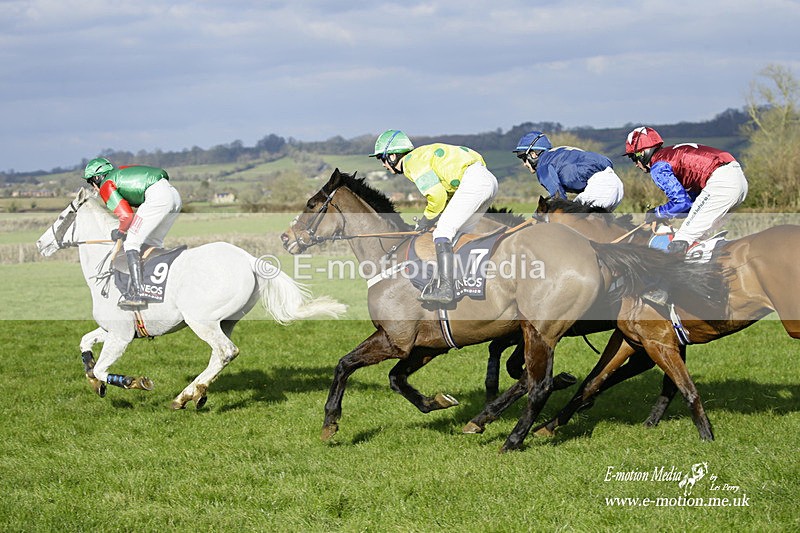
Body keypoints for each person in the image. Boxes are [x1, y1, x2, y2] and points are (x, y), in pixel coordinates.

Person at [369, 130, 498, 304]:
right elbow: (447, 196)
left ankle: (445, 288)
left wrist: (426, 220)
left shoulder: (411, 162)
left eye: (382, 159)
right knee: (460, 235)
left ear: (392, 156)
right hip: (487, 180)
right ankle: (464, 281)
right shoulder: (422, 155)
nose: (383, 165)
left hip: (474, 182)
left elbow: (436, 197)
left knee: (442, 232)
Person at [624, 126, 749, 255]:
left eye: (633, 158)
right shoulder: (669, 155)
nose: (635, 164)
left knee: (680, 241)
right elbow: (692, 204)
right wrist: (668, 214)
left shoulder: (658, 167)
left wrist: (658, 212)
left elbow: (682, 203)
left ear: (643, 153)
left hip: (722, 182)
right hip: (737, 179)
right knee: (699, 237)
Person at [83, 157, 182, 308]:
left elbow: (127, 216)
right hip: (174, 195)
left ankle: (138, 294)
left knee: (131, 243)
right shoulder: (120, 172)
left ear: (97, 177)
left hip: (157, 197)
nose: (93, 187)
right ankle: (157, 287)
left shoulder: (106, 185)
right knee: (153, 244)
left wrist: (120, 231)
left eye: (91, 182)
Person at [513, 131, 624, 211]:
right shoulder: (558, 153)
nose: (524, 164)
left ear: (533, 154)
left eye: (524, 158)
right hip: (614, 183)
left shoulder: (543, 165)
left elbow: (559, 199)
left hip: (601, 187)